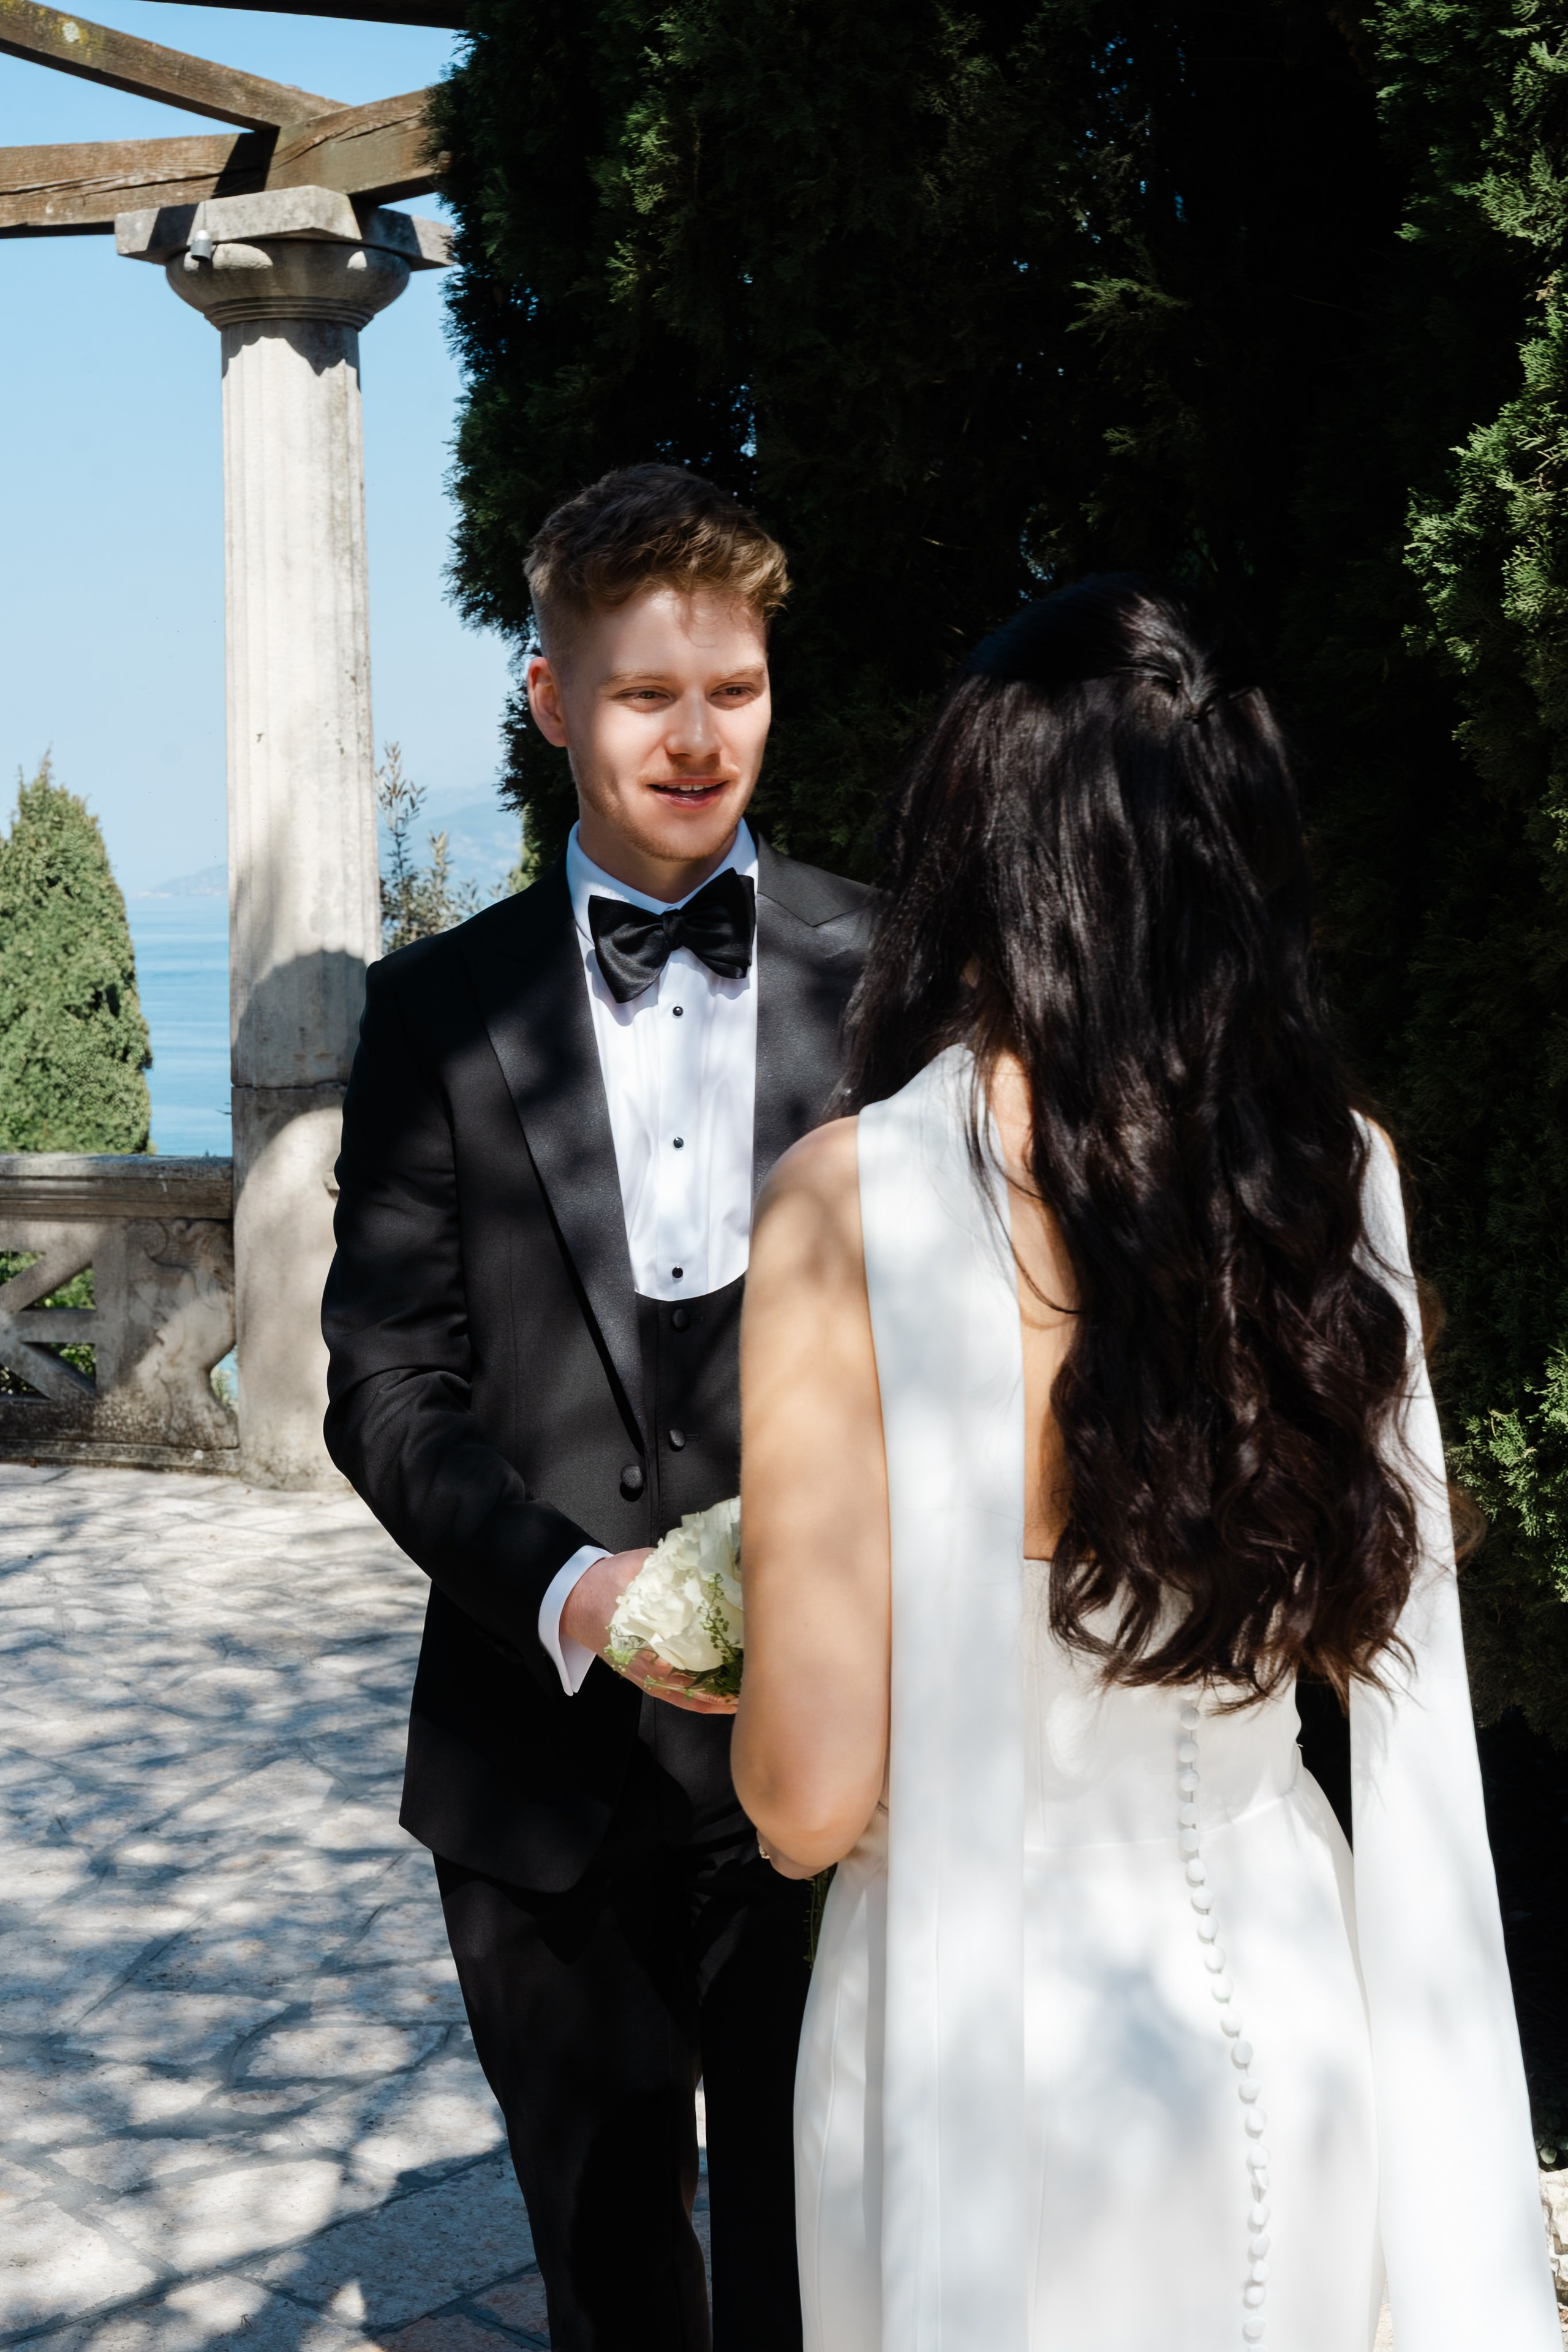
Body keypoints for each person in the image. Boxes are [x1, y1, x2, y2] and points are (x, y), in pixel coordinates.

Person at [733, 576, 1559, 2351]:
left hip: (984, 2054)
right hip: (1297, 2002)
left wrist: (732, 1639)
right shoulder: (1335, 1179)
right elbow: (1367, 1639)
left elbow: (806, 1800)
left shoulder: (846, 1206)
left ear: (978, 846)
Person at [322, 464, 871, 2352]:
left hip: (846, 1758)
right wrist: (576, 1592)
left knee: (841, 2263)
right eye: (647, 694)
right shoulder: (432, 1014)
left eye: (735, 687)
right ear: (554, 701)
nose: (700, 738)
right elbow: (386, 1385)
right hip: (538, 1773)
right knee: (613, 2285)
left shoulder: (895, 979)